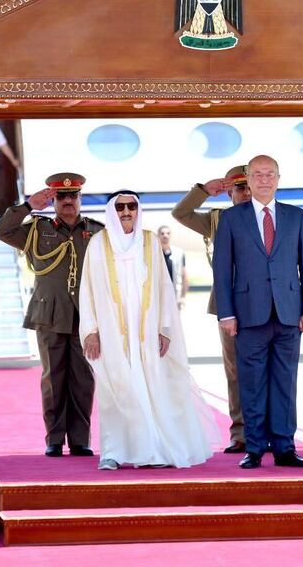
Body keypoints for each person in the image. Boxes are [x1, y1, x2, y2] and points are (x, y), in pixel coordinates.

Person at [80, 190, 217, 470]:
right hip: (111, 332)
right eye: (120, 207)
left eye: (131, 206)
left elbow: (164, 286)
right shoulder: (97, 243)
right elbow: (87, 290)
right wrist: (90, 331)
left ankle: (154, 451)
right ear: (112, 211)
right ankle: (113, 452)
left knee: (154, 389)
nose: (126, 212)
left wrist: (165, 328)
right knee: (115, 390)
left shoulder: (149, 241)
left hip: (146, 334)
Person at [213, 155, 303, 469]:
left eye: (269, 174)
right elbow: (222, 270)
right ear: (248, 178)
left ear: (278, 178)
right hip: (248, 314)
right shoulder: (232, 219)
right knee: (252, 383)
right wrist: (226, 314)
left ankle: (285, 448)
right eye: (257, 174)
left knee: (285, 383)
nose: (264, 180)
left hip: (289, 313)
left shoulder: (296, 217)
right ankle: (255, 448)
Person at [0, 173, 103, 457]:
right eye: (61, 197)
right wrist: (29, 206)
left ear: (80, 198)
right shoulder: (37, 230)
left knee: (83, 379)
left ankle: (80, 440)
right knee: (53, 379)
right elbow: (2, 231)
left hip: (86, 317)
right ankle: (54, 439)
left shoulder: (96, 231)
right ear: (53, 200)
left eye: (73, 196)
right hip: (49, 313)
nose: (68, 201)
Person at [172, 166, 251, 453]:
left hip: (264, 304)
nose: (246, 193)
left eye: (249, 186)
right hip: (229, 304)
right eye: (240, 188)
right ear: (230, 192)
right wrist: (204, 190)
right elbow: (180, 214)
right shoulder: (217, 220)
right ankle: (241, 433)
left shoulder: (271, 218)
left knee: (268, 369)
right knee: (236, 372)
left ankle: (269, 430)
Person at [157, 225, 188, 310]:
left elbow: (184, 277)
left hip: (175, 296)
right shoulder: (154, 254)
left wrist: (182, 297)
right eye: (162, 233)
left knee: (175, 322)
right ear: (158, 235)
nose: (165, 235)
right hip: (158, 296)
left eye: (167, 233)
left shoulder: (179, 253)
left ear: (170, 235)